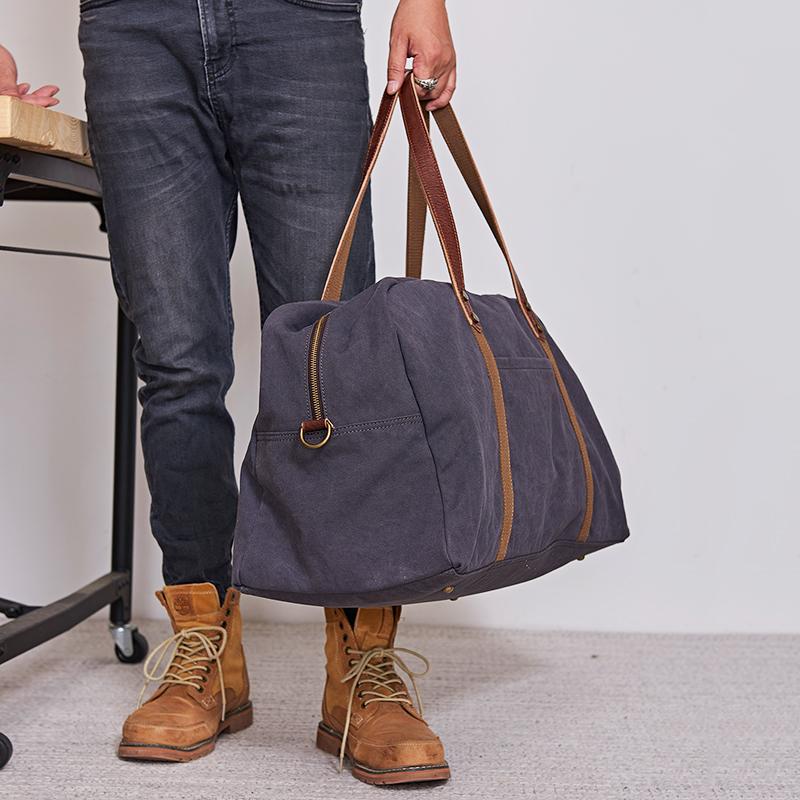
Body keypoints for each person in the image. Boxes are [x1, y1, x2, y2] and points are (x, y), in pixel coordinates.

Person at [1, 0, 456, 786]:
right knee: (176, 362)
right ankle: (204, 645)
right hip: (133, 27)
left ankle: (362, 661)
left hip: (300, 19)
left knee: (332, 360)